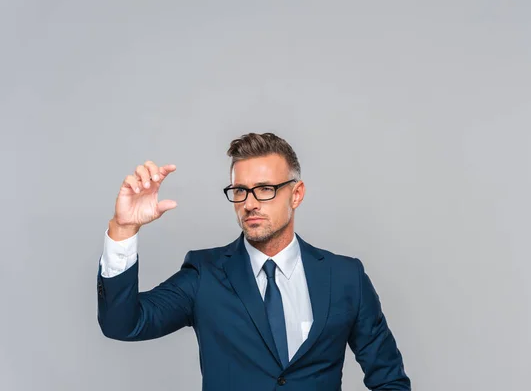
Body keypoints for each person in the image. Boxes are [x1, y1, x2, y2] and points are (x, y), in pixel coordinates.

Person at [97, 132, 411, 390]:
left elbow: (390, 380)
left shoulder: (345, 277)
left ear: (296, 194)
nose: (249, 204)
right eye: (240, 191)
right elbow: (123, 325)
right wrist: (124, 228)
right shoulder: (204, 275)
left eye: (265, 190)